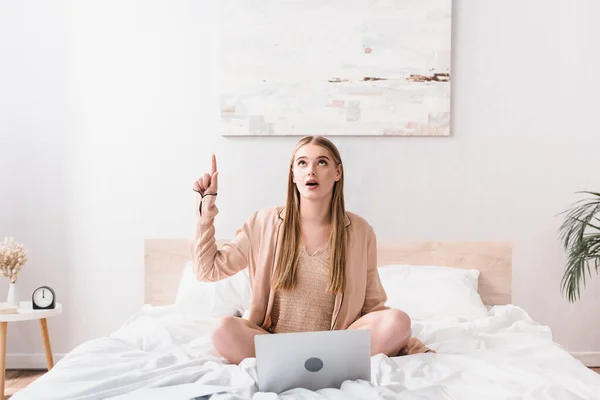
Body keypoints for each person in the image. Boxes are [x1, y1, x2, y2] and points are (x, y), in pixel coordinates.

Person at [191, 135, 433, 365]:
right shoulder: (262, 223)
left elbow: (372, 307)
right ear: (293, 174)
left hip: (335, 344)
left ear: (337, 172)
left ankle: (315, 364)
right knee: (223, 329)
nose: (311, 171)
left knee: (398, 320)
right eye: (303, 163)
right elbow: (207, 270)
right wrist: (206, 207)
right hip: (273, 342)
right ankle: (306, 365)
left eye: (322, 162)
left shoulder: (360, 231)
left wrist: (403, 341)